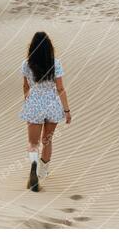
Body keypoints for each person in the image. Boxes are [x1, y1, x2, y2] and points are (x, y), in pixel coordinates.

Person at [19, 31, 72, 192]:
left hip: (35, 103)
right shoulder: (56, 63)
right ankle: (42, 172)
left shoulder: (26, 64)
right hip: (52, 105)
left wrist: (28, 100)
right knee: (47, 141)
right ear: (49, 47)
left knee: (33, 143)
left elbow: (26, 86)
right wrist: (67, 110)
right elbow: (60, 88)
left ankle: (34, 166)